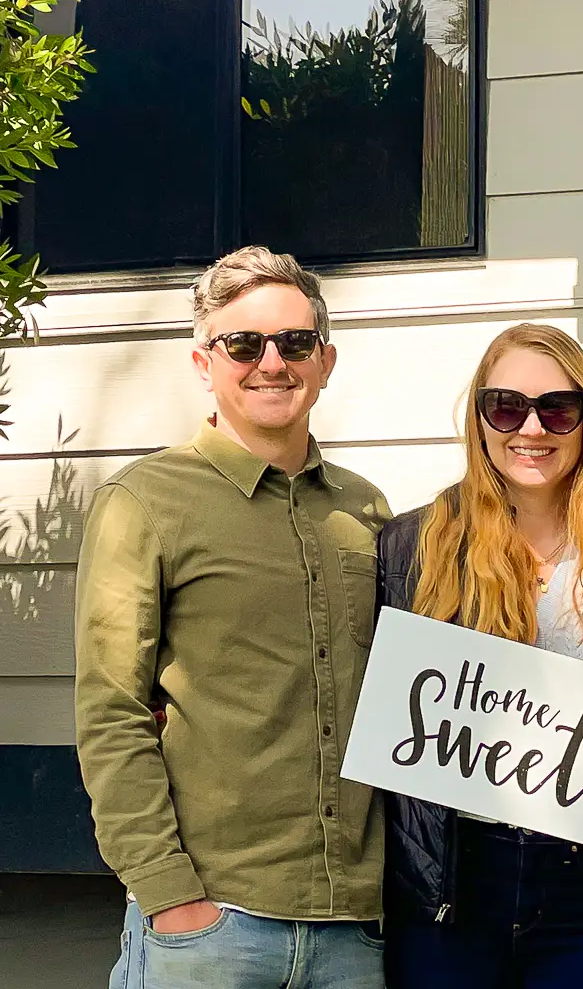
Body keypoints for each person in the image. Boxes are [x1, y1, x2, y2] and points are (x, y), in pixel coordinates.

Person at [74, 247, 391, 989]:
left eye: (295, 342)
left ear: (326, 359)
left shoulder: (367, 510)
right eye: (244, 344)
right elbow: (110, 711)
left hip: (355, 931)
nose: (272, 362)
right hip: (211, 928)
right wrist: (170, 894)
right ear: (203, 362)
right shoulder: (146, 502)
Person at [377, 323, 583, 989]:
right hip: (451, 884)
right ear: (481, 419)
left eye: (559, 408)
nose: (533, 428)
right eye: (507, 407)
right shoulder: (413, 548)